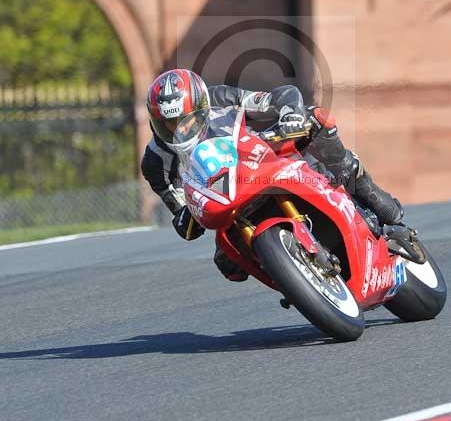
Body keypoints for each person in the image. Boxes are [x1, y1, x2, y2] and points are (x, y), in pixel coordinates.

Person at [141, 68, 420, 281]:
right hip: (226, 201)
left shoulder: (220, 98)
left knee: (316, 121)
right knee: (229, 266)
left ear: (201, 106)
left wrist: (290, 116)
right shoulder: (155, 162)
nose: (180, 130)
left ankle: (377, 205)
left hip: (259, 162)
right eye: (169, 124)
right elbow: (178, 210)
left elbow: (278, 97)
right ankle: (294, 277)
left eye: (185, 120)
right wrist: (185, 216)